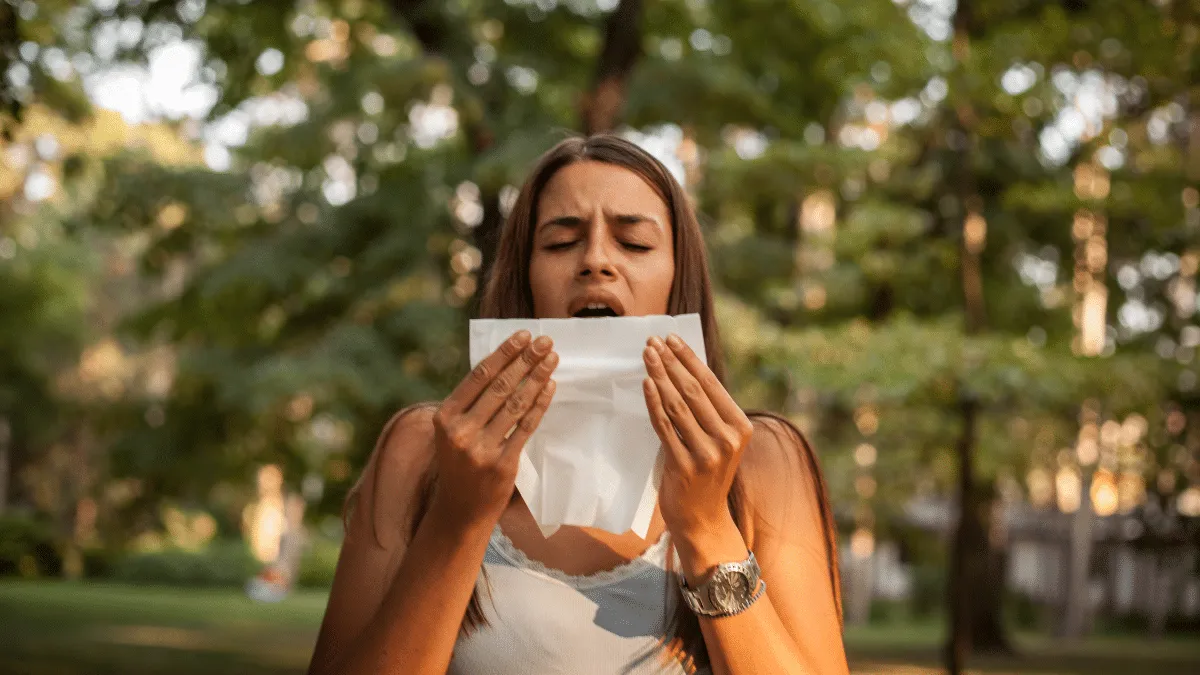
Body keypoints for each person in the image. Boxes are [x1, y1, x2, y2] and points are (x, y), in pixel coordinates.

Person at [306, 134, 847, 674]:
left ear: (678, 279)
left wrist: (708, 528)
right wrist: (457, 517)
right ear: (526, 278)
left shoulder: (763, 462)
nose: (595, 261)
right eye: (561, 243)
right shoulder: (423, 451)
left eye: (634, 243)